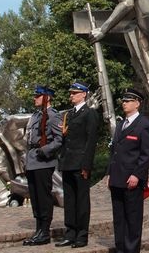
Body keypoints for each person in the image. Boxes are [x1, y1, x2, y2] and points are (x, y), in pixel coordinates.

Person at [107, 88, 149, 253]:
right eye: (123, 101)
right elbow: (114, 151)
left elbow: (147, 153)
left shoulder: (144, 125)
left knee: (133, 219)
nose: (124, 103)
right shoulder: (121, 124)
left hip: (132, 179)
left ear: (137, 103)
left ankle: (131, 250)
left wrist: (137, 174)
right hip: (117, 178)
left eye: (128, 101)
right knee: (119, 218)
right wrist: (110, 174)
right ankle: (120, 248)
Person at [56, 82, 100, 248]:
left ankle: (82, 235)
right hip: (68, 162)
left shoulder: (89, 114)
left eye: (75, 93)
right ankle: (70, 232)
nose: (71, 95)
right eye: (71, 93)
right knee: (69, 200)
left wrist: (86, 165)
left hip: (80, 163)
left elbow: (90, 141)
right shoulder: (69, 114)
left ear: (84, 94)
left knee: (81, 200)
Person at [22, 85, 63, 246]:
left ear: (47, 98)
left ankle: (44, 231)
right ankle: (39, 229)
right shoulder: (36, 115)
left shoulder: (53, 116)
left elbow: (59, 140)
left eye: (38, 96)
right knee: (35, 198)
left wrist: (44, 150)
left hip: (43, 161)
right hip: (32, 160)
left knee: (43, 197)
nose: (35, 98)